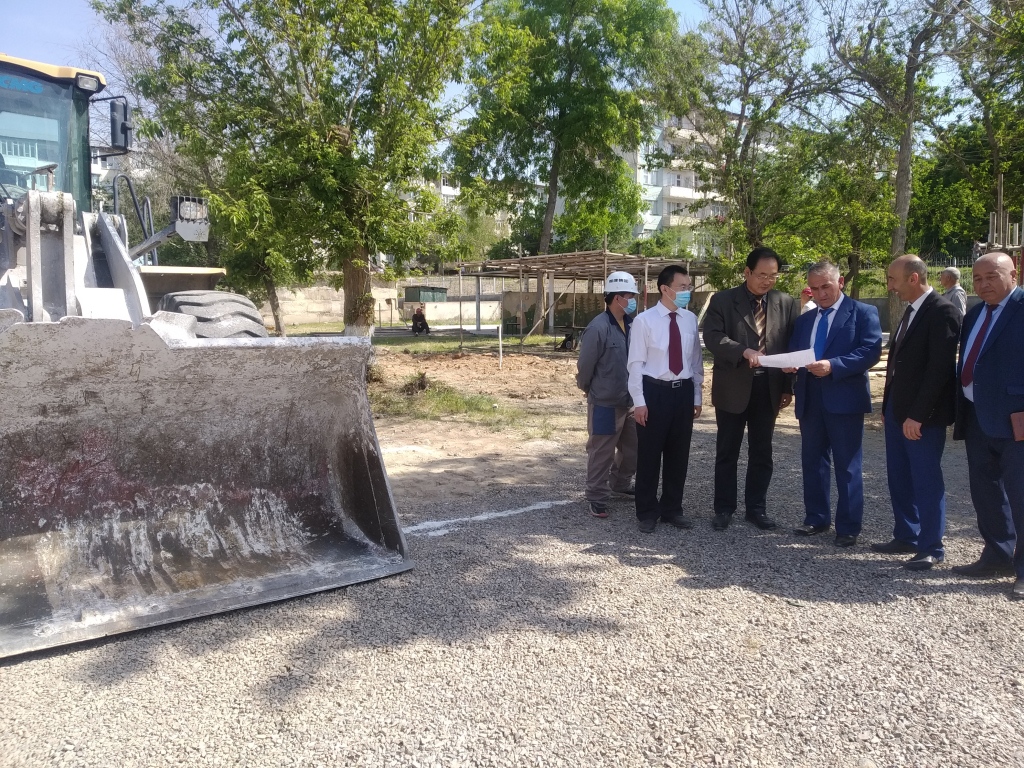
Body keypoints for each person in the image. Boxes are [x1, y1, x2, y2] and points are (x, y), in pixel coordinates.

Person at [872, 255, 960, 570]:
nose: (889, 286)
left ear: (913, 278)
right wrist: (888, 406)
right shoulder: (910, 311)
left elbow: (939, 370)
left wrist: (918, 415)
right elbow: (898, 365)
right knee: (899, 476)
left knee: (925, 480)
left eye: (892, 279)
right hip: (897, 411)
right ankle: (906, 535)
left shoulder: (942, 311)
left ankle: (931, 546)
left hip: (922, 418)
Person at [702, 247, 798, 531]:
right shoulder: (723, 300)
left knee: (762, 452)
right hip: (733, 385)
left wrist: (788, 387)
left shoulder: (785, 302)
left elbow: (790, 345)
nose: (767, 281)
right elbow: (713, 337)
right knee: (727, 451)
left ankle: (757, 509)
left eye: (773, 276)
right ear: (747, 272)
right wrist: (743, 351)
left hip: (768, 387)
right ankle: (724, 508)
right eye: (761, 275)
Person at [787, 261, 882, 547]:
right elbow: (796, 351)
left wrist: (834, 365)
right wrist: (789, 364)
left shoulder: (863, 312)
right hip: (810, 397)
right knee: (812, 461)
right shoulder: (805, 320)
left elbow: (870, 351)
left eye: (825, 287)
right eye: (814, 289)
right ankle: (816, 518)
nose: (820, 294)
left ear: (840, 282)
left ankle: (849, 527)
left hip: (844, 398)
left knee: (847, 464)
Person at [951, 252, 1024, 599]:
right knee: (986, 492)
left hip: (1017, 420)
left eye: (992, 276)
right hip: (977, 416)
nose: (983, 284)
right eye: (977, 279)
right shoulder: (975, 314)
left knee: (1021, 496)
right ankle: (997, 555)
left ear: (1014, 274)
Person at [627, 265, 704, 534]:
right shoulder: (644, 321)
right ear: (665, 289)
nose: (687, 292)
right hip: (654, 391)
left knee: (678, 454)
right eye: (682, 287)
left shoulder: (690, 319)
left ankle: (672, 508)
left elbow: (695, 361)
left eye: (688, 287)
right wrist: (639, 401)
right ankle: (647, 511)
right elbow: (635, 363)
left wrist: (696, 395)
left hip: (683, 391)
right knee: (649, 454)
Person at [576, 272, 640, 518]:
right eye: (629, 296)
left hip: (631, 401)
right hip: (605, 402)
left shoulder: (634, 325)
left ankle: (620, 484)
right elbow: (585, 366)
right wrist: (588, 388)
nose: (632, 300)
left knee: (634, 449)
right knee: (602, 452)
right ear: (616, 298)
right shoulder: (598, 328)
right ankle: (596, 496)